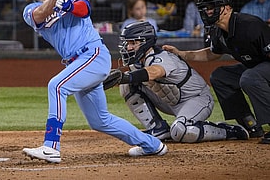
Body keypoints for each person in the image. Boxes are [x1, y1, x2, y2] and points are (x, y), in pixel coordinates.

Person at [13, 0, 168, 164]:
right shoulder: (29, 10)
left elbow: (84, 10)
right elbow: (40, 15)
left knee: (57, 86)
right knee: (99, 121)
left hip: (93, 54)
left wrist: (67, 4)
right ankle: (153, 145)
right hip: (77, 63)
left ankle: (51, 146)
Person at [103, 21, 249, 143]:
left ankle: (228, 131)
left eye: (133, 43)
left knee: (181, 131)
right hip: (171, 101)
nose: (128, 47)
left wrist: (125, 76)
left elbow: (155, 72)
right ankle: (158, 128)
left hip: (197, 99)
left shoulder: (162, 57)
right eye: (127, 43)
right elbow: (123, 79)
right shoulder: (138, 62)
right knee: (126, 85)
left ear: (145, 42)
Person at [163, 0, 270, 145]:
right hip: (256, 67)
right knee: (221, 76)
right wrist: (181, 53)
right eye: (205, 8)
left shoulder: (250, 25)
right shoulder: (218, 31)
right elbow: (211, 54)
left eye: (211, 7)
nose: (207, 12)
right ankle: (250, 125)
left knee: (250, 77)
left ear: (226, 9)